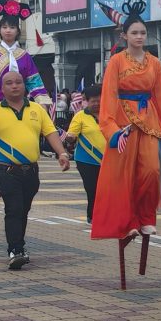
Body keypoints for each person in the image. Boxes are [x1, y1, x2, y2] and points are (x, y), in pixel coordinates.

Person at [90, 0, 161, 241]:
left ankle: (147, 218)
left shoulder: (155, 63)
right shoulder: (116, 61)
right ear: (124, 35)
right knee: (125, 175)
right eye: (134, 33)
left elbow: (160, 97)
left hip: (149, 121)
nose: (139, 37)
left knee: (151, 171)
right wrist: (111, 129)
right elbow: (108, 95)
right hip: (123, 122)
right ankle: (128, 222)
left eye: (143, 32)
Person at [0, 71, 70, 269]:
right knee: (14, 208)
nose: (14, 86)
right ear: (2, 88)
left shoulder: (37, 109)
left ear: (24, 86)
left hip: (31, 170)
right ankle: (15, 250)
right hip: (6, 169)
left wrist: (62, 153)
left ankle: (19, 246)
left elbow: (50, 132)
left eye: (18, 82)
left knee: (23, 210)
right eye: (9, 83)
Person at [0, 0, 52, 110]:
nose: (8, 31)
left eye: (12, 27)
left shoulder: (25, 56)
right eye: (4, 27)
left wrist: (42, 102)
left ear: (17, 31)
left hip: (21, 106)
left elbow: (34, 82)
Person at [65, 84, 104, 224]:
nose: (97, 104)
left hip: (108, 160)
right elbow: (71, 135)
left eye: (100, 100)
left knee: (107, 190)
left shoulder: (111, 113)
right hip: (86, 160)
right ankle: (92, 216)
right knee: (92, 188)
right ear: (86, 101)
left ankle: (105, 215)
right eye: (93, 101)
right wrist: (70, 138)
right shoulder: (80, 116)